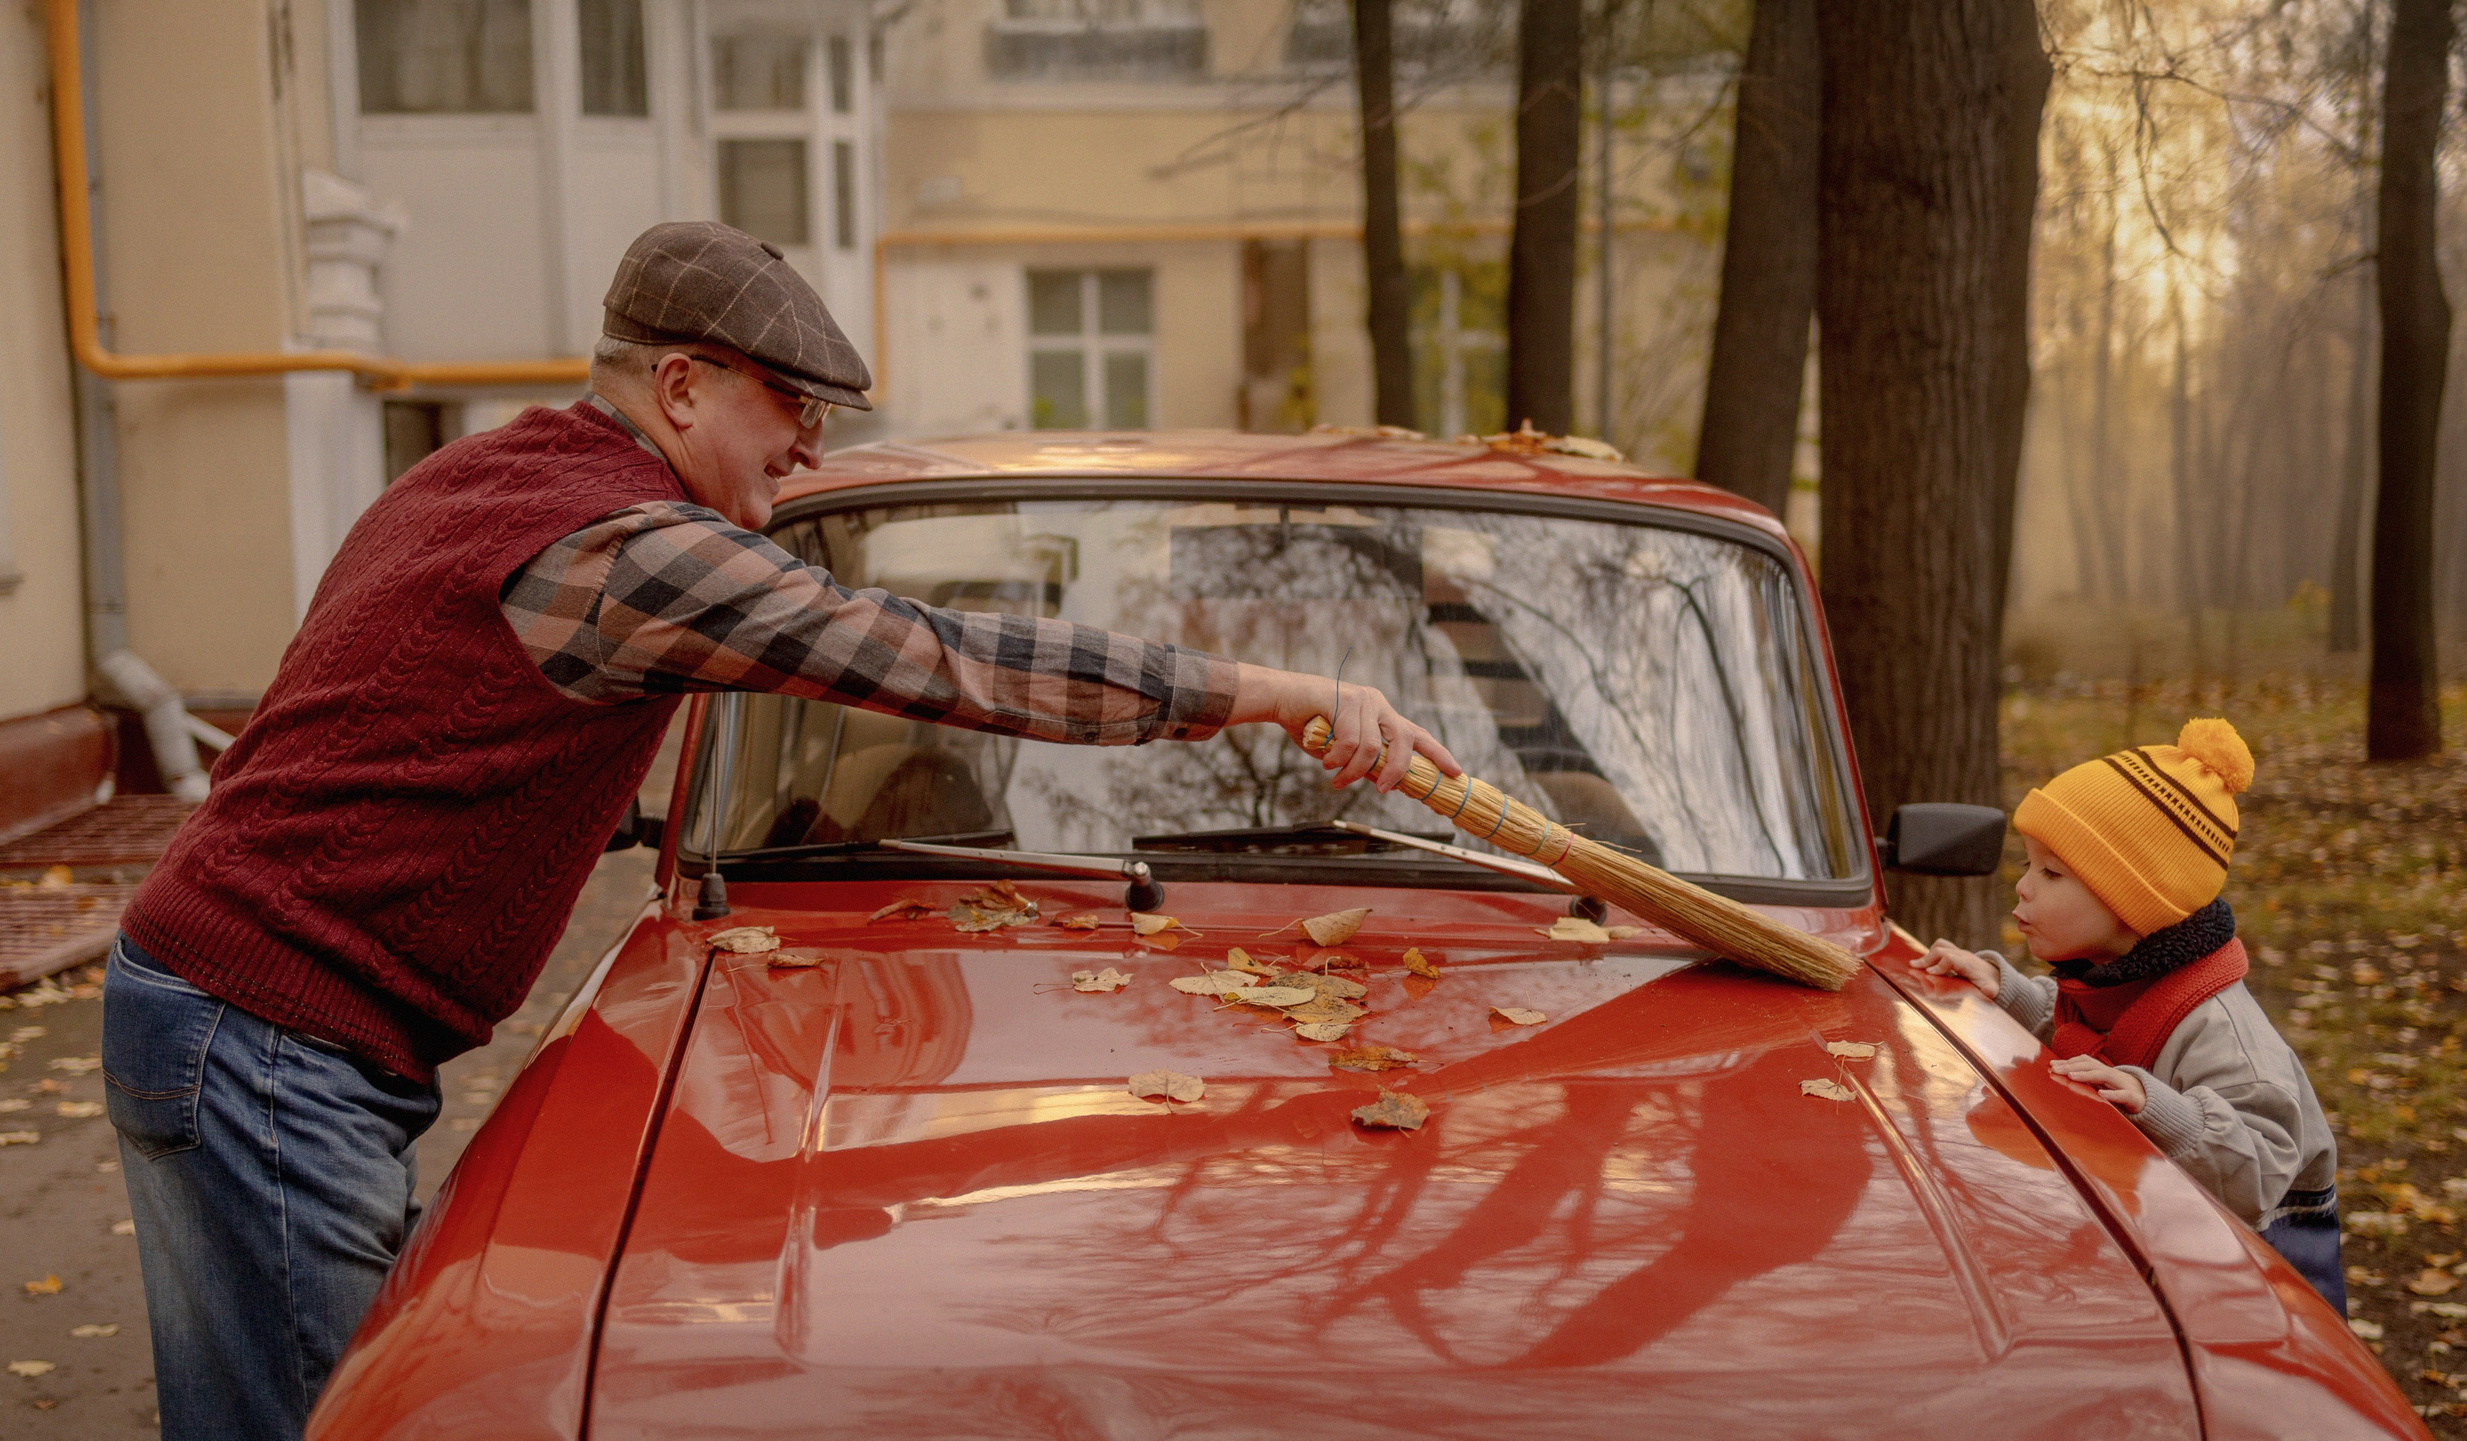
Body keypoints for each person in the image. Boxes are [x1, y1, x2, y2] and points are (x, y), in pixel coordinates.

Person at [102, 221, 1459, 1441]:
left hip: (245, 1012)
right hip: (267, 1039)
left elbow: (402, 723)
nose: (809, 443)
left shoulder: (492, 474)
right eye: (789, 403)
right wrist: (1277, 694)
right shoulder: (628, 548)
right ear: (681, 386)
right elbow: (935, 660)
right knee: (333, 1423)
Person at [1915, 719, 2345, 1314]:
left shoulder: (2223, 1032)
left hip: (2262, 1275)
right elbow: (2086, 1027)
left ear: (2132, 903)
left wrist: (2156, 1106)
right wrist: (2006, 990)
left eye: (2052, 873)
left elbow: (2262, 1164)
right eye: (2028, 864)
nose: (2021, 889)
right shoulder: (2116, 971)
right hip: (2168, 1235)